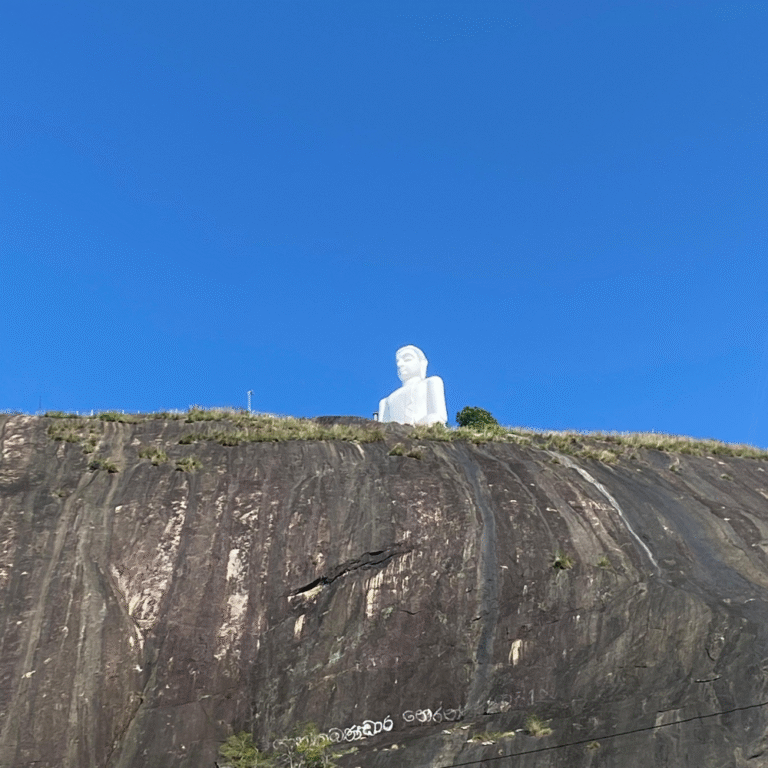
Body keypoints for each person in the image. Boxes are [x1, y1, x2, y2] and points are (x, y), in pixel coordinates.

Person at [377, 345, 447, 426]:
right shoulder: (386, 401)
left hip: (420, 431)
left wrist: (419, 424)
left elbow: (438, 417)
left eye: (407, 359)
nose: (400, 364)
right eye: (397, 362)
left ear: (422, 363)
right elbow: (380, 427)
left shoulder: (431, 382)